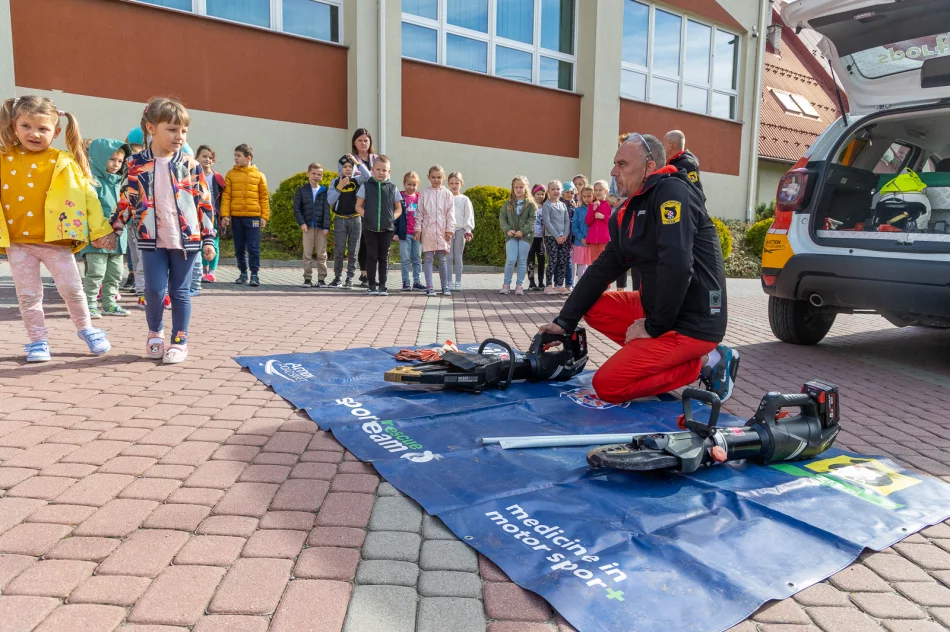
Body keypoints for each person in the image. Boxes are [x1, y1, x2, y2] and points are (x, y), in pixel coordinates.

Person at [539, 133, 739, 404]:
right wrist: (565, 321)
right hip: (660, 309)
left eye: (622, 164)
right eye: (614, 164)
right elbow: (603, 267)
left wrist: (653, 327)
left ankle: (707, 361)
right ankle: (659, 357)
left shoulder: (673, 193)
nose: (613, 172)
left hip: (695, 320)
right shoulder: (631, 209)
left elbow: (678, 266)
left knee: (607, 385)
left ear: (649, 167)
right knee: (592, 306)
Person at [0, 96, 113, 362]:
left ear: (57, 131)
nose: (34, 134)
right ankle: (38, 341)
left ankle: (86, 329)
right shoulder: (4, 158)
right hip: (18, 242)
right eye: (26, 126)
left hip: (56, 240)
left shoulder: (64, 161)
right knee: (28, 296)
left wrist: (100, 230)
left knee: (72, 289)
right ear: (14, 126)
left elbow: (88, 197)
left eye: (43, 128)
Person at [105, 96, 216, 364]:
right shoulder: (135, 164)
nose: (180, 136)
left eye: (184, 131)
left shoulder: (191, 165)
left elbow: (204, 203)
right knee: (154, 291)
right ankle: (155, 332)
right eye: (172, 129)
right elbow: (126, 201)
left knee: (180, 292)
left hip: (186, 240)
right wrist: (114, 230)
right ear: (151, 128)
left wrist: (208, 238)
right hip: (151, 239)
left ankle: (180, 341)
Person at [82, 139, 129, 318]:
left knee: (115, 273)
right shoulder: (92, 183)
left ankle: (110, 304)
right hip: (98, 238)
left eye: (120, 161)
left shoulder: (120, 183)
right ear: (99, 158)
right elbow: (90, 209)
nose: (116, 164)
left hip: (118, 237)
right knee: (96, 273)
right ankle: (90, 304)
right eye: (112, 159)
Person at [221, 144, 269, 287]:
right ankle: (243, 273)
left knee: (253, 247)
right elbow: (227, 196)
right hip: (236, 217)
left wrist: (264, 217)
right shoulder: (230, 174)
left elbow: (264, 197)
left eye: (239, 156)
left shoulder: (259, 176)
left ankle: (254, 274)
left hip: (253, 217)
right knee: (239, 247)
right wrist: (225, 215)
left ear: (248, 158)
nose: (235, 158)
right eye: (235, 155)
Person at [355, 155, 402, 296]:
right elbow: (358, 206)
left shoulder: (393, 188)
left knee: (383, 257)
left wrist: (391, 218)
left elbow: (398, 209)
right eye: (378, 169)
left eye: (384, 170)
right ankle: (371, 285)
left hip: (387, 229)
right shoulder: (366, 186)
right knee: (371, 255)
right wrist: (367, 215)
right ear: (372, 170)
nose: (381, 172)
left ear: (389, 172)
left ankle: (382, 285)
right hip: (370, 228)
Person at [327, 155, 370, 288]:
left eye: (350, 166)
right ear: (340, 168)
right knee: (339, 250)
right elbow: (330, 200)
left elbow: (368, 176)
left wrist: (357, 162)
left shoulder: (357, 180)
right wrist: (339, 187)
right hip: (340, 219)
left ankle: (349, 279)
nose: (347, 169)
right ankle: (337, 278)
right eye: (345, 166)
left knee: (353, 251)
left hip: (355, 219)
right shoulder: (335, 182)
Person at [344, 128, 378, 287]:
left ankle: (372, 273)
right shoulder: (350, 159)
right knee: (362, 240)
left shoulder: (376, 159)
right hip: (358, 204)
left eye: (366, 140)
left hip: (375, 204)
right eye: (360, 140)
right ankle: (364, 273)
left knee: (374, 240)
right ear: (354, 142)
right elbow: (352, 179)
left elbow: (382, 177)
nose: (363, 143)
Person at [415, 165, 456, 297]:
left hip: (443, 232)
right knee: (428, 260)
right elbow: (419, 213)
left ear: (443, 178)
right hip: (428, 231)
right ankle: (429, 287)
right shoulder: (424, 194)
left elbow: (451, 213)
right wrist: (418, 229)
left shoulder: (448, 194)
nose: (436, 180)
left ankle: (445, 286)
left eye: (439, 177)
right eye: (433, 177)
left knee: (442, 260)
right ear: (429, 177)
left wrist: (449, 229)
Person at [293, 163, 331, 288]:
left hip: (321, 227)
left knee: (322, 254)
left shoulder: (324, 191)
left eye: (319, 174)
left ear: (322, 176)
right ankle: (307, 279)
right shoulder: (301, 190)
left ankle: (321, 279)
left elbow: (327, 210)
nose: (316, 176)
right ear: (308, 174)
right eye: (313, 173)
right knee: (307, 254)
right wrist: (302, 223)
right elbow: (297, 208)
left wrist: (326, 227)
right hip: (307, 227)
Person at [499, 175, 537, 295]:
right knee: (510, 260)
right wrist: (507, 230)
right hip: (511, 235)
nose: (518, 189)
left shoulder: (531, 204)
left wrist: (523, 231)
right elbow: (502, 218)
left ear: (526, 188)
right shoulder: (508, 203)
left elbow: (532, 220)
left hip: (525, 236)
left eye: (521, 187)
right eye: (516, 187)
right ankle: (506, 284)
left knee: (521, 260)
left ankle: (519, 285)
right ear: (513, 188)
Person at [195, 145, 224, 285]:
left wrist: (224, 216)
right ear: (197, 158)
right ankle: (203, 269)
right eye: (204, 156)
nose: (207, 159)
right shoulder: (193, 175)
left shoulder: (217, 177)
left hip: (213, 216)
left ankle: (212, 271)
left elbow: (224, 198)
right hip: (196, 215)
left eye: (210, 157)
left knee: (214, 243)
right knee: (200, 243)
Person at [396, 171, 424, 291]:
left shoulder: (420, 198)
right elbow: (396, 216)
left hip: (417, 233)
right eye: (409, 184)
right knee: (405, 259)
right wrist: (395, 232)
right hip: (404, 233)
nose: (411, 187)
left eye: (414, 185)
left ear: (417, 185)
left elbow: (424, 215)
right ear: (404, 183)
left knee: (417, 258)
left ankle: (417, 281)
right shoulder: (399, 197)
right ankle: (405, 282)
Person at [447, 171, 474, 292]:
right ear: (448, 184)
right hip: (448, 230)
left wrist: (468, 230)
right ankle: (449, 281)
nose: (454, 186)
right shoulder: (446, 197)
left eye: (456, 183)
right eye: (451, 183)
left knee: (458, 257)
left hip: (460, 230)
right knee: (448, 257)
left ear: (461, 183)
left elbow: (469, 215)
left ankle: (458, 282)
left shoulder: (464, 199)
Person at [542, 181, 570, 294]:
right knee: (552, 260)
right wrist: (557, 236)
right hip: (551, 237)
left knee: (562, 260)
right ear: (548, 191)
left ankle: (559, 284)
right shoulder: (547, 205)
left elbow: (567, 221)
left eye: (558, 189)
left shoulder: (563, 205)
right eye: (553, 189)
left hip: (563, 238)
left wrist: (565, 235)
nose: (556, 191)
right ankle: (549, 285)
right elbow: (547, 222)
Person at [663, 130, 704, 198]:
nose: (662, 148)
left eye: (663, 145)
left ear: (671, 145)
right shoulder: (670, 162)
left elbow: (696, 193)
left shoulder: (688, 165)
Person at [527, 184, 547, 291]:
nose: (540, 196)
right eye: (538, 194)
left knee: (541, 260)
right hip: (530, 238)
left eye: (542, 194)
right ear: (533, 194)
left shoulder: (546, 207)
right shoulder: (529, 206)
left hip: (541, 238)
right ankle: (531, 283)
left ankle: (541, 282)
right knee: (530, 260)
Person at [586, 180, 612, 265]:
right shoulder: (592, 205)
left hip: (604, 238)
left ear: (606, 192)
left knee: (604, 262)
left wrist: (603, 217)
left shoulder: (610, 205)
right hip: (593, 239)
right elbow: (588, 222)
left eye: (600, 190)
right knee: (594, 262)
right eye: (596, 190)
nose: (597, 192)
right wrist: (593, 210)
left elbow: (613, 220)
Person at [571, 184, 593, 282]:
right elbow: (574, 226)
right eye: (584, 196)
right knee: (581, 265)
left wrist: (590, 238)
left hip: (592, 243)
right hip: (580, 242)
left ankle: (589, 285)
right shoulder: (578, 210)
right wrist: (582, 238)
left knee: (591, 265)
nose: (586, 199)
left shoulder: (596, 209)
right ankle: (581, 285)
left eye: (589, 196)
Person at [561, 181, 577, 290]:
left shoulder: (574, 206)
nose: (569, 195)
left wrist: (573, 239)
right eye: (567, 192)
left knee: (568, 260)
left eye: (572, 193)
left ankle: (569, 283)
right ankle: (558, 283)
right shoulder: (559, 205)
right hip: (560, 236)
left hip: (570, 237)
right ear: (563, 193)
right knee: (559, 260)